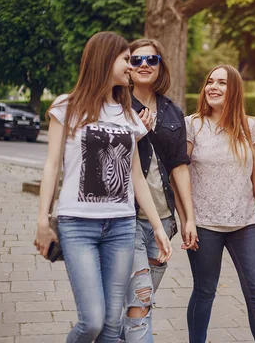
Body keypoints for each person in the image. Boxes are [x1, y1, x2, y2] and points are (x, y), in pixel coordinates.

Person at [34, 31, 172, 343]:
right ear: (105, 59)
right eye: (127, 59)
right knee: (93, 321)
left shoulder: (128, 115)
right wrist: (43, 220)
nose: (132, 66)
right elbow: (52, 166)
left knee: (113, 325)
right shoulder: (65, 107)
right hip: (77, 225)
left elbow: (135, 177)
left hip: (122, 226)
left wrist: (158, 227)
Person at [184, 64, 255, 343]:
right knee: (204, 290)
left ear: (234, 89)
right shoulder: (193, 124)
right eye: (210, 82)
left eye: (221, 83)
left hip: (246, 222)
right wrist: (187, 218)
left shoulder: (252, 126)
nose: (213, 87)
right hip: (205, 223)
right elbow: (182, 174)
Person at [122, 38, 198, 342]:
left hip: (163, 222)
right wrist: (136, 133)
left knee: (141, 300)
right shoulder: (117, 105)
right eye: (136, 59)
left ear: (160, 66)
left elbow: (180, 166)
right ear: (127, 66)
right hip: (126, 218)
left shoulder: (172, 111)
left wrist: (188, 218)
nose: (143, 65)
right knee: (140, 299)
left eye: (151, 60)